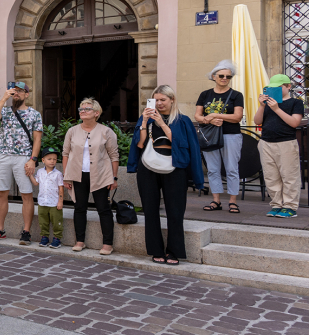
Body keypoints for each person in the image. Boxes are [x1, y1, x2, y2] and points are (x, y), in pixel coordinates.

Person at [128, 85, 203, 264]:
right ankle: (156, 250)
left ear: (172, 100)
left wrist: (162, 123)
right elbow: (139, 145)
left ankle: (174, 251)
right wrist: (145, 122)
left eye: (163, 100)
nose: (160, 103)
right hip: (149, 166)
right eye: (156, 100)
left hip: (175, 167)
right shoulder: (146, 118)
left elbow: (182, 144)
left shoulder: (182, 120)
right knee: (151, 210)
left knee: (175, 211)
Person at [0, 82, 43, 244]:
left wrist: (33, 159)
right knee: (1, 192)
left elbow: (37, 139)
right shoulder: (4, 111)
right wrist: (4, 98)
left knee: (26, 194)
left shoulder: (34, 114)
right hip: (3, 156)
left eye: (20, 91)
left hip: (24, 157)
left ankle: (26, 231)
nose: (16, 94)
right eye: (14, 91)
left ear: (27, 94)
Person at [62, 98, 120, 254]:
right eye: (81, 109)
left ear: (96, 113)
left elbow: (114, 155)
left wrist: (114, 178)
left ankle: (107, 243)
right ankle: (80, 241)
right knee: (79, 208)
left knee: (103, 209)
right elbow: (66, 154)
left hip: (101, 175)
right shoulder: (72, 131)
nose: (82, 111)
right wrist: (66, 176)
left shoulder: (106, 131)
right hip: (77, 175)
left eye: (87, 109)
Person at [195, 60, 245, 213]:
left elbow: (237, 117)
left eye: (228, 76)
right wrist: (206, 119)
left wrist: (216, 115)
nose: (225, 78)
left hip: (231, 135)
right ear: (214, 76)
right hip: (210, 135)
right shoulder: (205, 94)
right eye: (221, 75)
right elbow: (197, 115)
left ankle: (232, 201)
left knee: (231, 169)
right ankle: (216, 200)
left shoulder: (236, 95)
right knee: (212, 169)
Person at [253, 74, 304, 218]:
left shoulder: (295, 102)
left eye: (279, 87)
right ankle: (276, 205)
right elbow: (257, 121)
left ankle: (290, 206)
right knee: (271, 176)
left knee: (289, 176)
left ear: (288, 86)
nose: (275, 90)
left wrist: (276, 109)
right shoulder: (268, 103)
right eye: (272, 87)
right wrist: (262, 106)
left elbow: (294, 123)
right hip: (266, 142)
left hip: (286, 142)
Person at [29, 147, 65, 248]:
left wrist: (60, 202)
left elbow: (61, 189)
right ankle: (44, 237)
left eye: (54, 159)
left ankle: (57, 239)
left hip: (54, 203)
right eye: (49, 159)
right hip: (42, 202)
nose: (52, 161)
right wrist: (30, 175)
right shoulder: (40, 172)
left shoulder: (58, 174)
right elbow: (36, 183)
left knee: (57, 222)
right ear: (43, 160)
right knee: (43, 222)